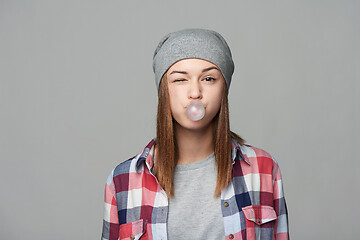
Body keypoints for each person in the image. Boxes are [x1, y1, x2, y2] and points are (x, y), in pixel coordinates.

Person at [101, 29, 289, 240]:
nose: (195, 92)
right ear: (164, 90)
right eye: (180, 80)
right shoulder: (123, 181)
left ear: (223, 89)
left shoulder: (263, 168)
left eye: (208, 78)